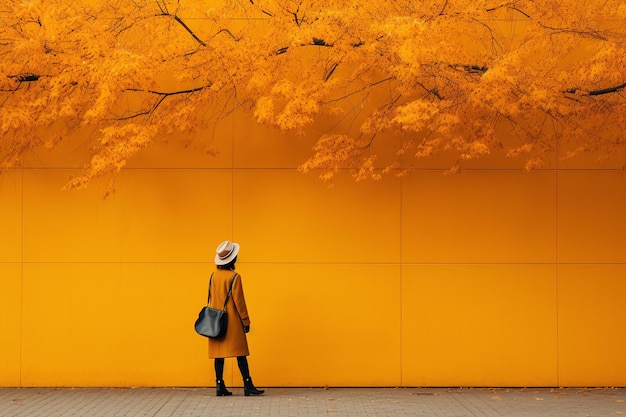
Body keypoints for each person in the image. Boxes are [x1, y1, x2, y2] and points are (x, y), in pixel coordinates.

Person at [208, 240, 264, 397]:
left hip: (216, 321)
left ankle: (219, 386)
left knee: (219, 355)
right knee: (241, 354)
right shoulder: (235, 277)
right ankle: (248, 384)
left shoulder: (213, 276)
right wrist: (246, 321)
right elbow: (239, 302)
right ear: (233, 259)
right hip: (232, 321)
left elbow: (212, 298)